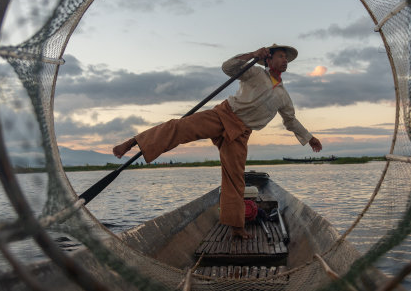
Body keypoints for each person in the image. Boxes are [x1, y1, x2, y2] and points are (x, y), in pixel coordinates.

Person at [112, 44, 322, 238]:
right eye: (281, 56)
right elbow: (228, 67)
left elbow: (291, 120)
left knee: (235, 178)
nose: (285, 60)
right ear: (269, 60)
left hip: (240, 133)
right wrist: (252, 55)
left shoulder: (284, 96)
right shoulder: (255, 72)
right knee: (181, 127)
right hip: (223, 115)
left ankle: (237, 227)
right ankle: (133, 142)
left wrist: (310, 138)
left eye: (286, 58)